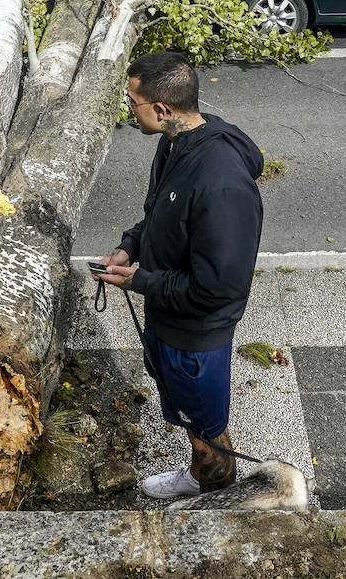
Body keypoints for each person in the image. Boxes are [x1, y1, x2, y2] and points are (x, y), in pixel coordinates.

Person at [93, 51, 264, 501]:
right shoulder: (173, 142)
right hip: (169, 314)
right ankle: (200, 473)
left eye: (133, 103)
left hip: (195, 336)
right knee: (192, 419)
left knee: (207, 428)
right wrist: (131, 244)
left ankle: (215, 490)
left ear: (162, 109)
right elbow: (160, 215)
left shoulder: (221, 183)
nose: (129, 112)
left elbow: (219, 287)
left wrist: (140, 282)